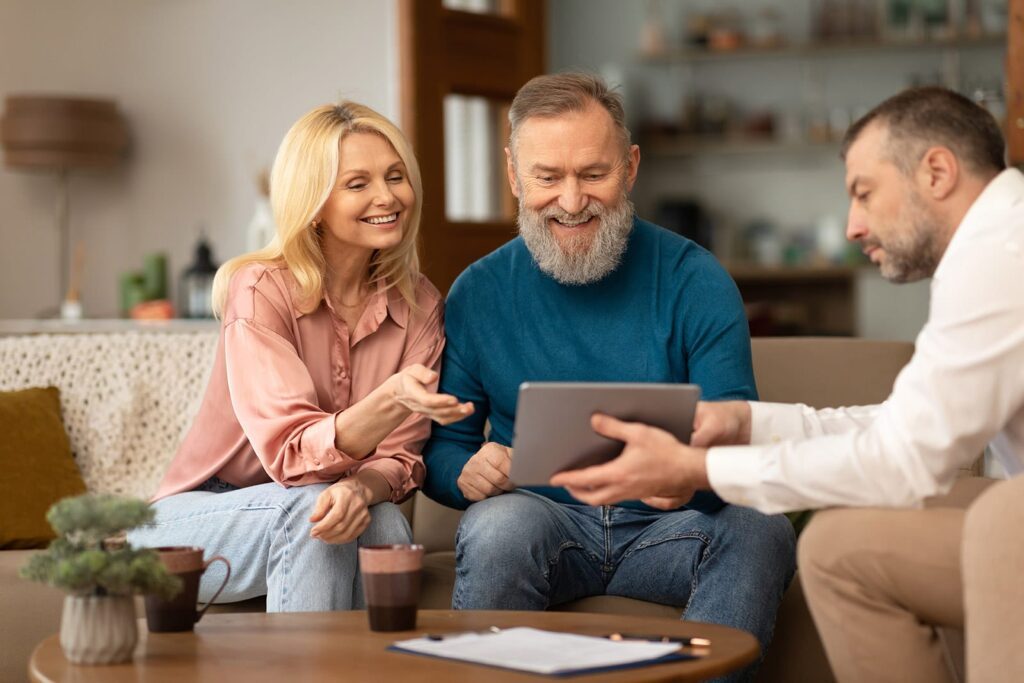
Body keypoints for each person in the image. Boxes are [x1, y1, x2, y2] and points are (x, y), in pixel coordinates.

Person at [552, 87, 1024, 682]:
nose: (853, 225)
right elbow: (905, 425)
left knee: (989, 521)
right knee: (838, 551)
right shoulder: (999, 244)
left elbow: (904, 461)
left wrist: (698, 471)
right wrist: (749, 423)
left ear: (936, 172)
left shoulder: (1001, 256)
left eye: (864, 192)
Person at [421, 72, 796, 666]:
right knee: (497, 528)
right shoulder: (477, 292)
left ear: (630, 168)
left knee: (762, 529)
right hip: (541, 521)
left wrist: (688, 473)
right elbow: (443, 451)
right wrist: (464, 471)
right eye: (547, 178)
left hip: (672, 530)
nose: (571, 202)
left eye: (593, 174)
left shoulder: (696, 281)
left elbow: (738, 437)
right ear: (515, 175)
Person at [130, 102, 473, 612]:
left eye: (395, 176)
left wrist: (360, 489)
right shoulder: (260, 290)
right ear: (313, 203)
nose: (387, 196)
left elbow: (400, 459)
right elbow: (292, 453)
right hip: (197, 520)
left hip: (314, 502)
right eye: (358, 184)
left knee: (385, 523)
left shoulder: (421, 304)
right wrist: (389, 401)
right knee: (316, 513)